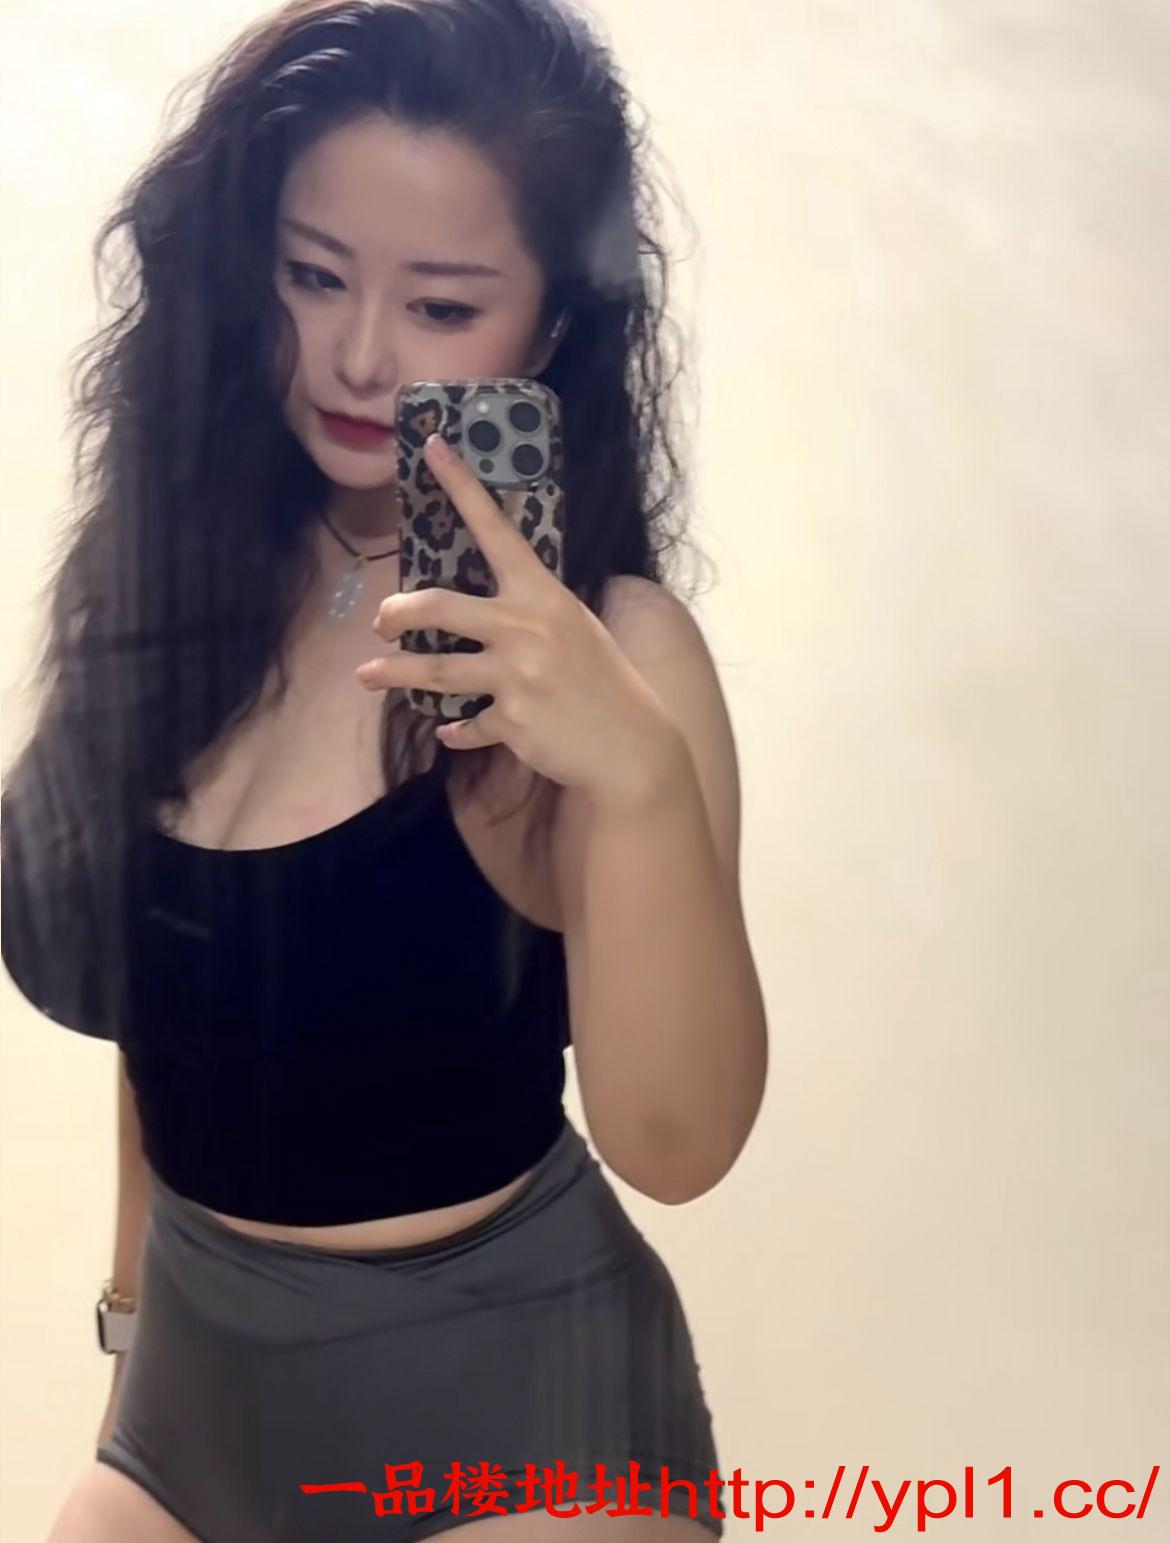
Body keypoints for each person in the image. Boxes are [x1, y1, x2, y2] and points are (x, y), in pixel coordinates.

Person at [1, 1, 768, 1538]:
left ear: (551, 327)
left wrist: (635, 776)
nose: (357, 355)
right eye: (312, 275)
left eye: (441, 304)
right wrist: (130, 1336)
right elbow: (163, 1025)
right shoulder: (175, 577)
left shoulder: (612, 649)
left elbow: (677, 1147)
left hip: (520, 1418)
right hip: (190, 1404)